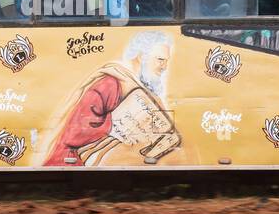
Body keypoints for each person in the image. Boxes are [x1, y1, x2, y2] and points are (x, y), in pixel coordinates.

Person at [43, 31, 181, 166]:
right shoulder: (110, 84)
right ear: (141, 57)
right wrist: (117, 124)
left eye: (166, 61)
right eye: (160, 60)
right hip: (74, 162)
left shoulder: (143, 90)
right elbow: (75, 133)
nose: (164, 67)